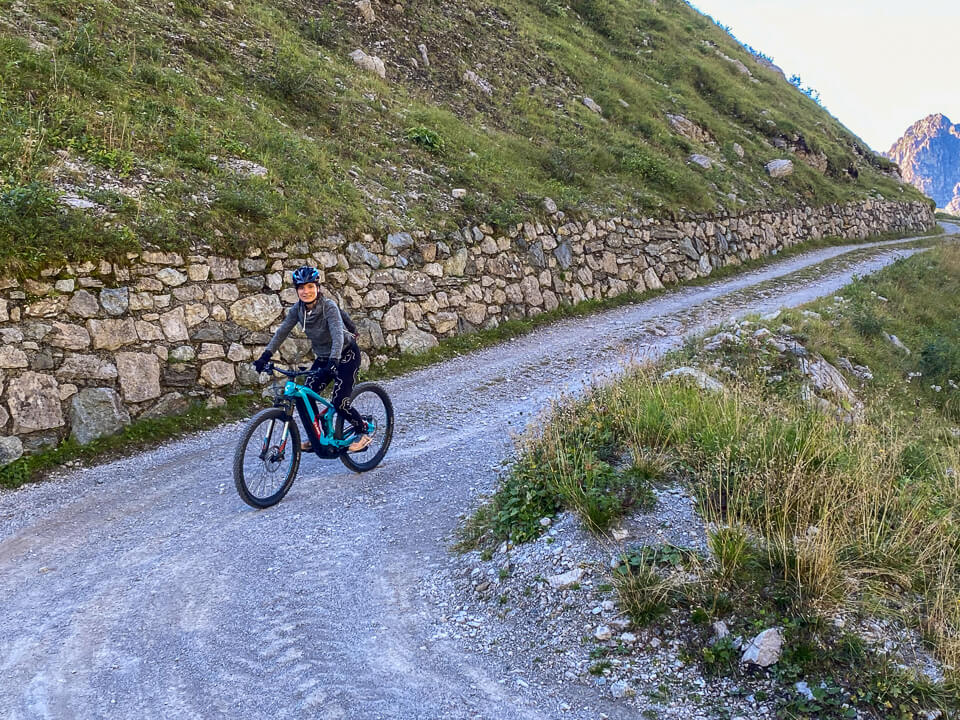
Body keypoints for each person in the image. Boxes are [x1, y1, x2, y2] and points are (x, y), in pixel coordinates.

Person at [253, 266, 371, 453]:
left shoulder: (328, 307)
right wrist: (265, 356)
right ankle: (318, 437)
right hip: (324, 357)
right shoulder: (297, 310)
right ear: (296, 290)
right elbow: (282, 332)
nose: (305, 291)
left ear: (317, 287)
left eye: (309, 286)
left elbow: (338, 336)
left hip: (345, 354)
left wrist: (334, 361)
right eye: (301, 287)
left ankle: (362, 430)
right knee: (304, 395)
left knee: (340, 401)